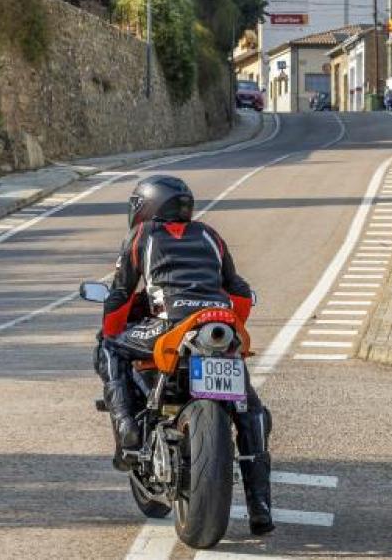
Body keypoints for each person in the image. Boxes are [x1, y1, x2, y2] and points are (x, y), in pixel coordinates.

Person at [95, 175, 275, 535]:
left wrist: (112, 329)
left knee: (109, 346)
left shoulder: (142, 236)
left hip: (170, 325)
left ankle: (128, 427)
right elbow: (237, 289)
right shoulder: (211, 235)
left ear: (147, 206)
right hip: (219, 324)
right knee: (250, 409)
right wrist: (232, 325)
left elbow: (119, 293)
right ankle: (260, 505)